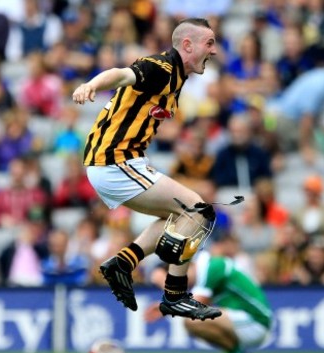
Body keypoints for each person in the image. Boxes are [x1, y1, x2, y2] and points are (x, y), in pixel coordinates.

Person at [72, 18, 223, 320]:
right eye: (209, 43)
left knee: (178, 216)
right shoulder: (161, 67)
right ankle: (176, 295)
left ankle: (124, 263)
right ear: (187, 45)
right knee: (199, 211)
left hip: (122, 161)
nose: (215, 51)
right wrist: (91, 84)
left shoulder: (178, 77)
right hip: (112, 161)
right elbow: (120, 74)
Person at [146, 232, 273, 353]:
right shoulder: (207, 268)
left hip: (256, 321)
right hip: (246, 320)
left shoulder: (212, 267)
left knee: (192, 321)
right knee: (193, 322)